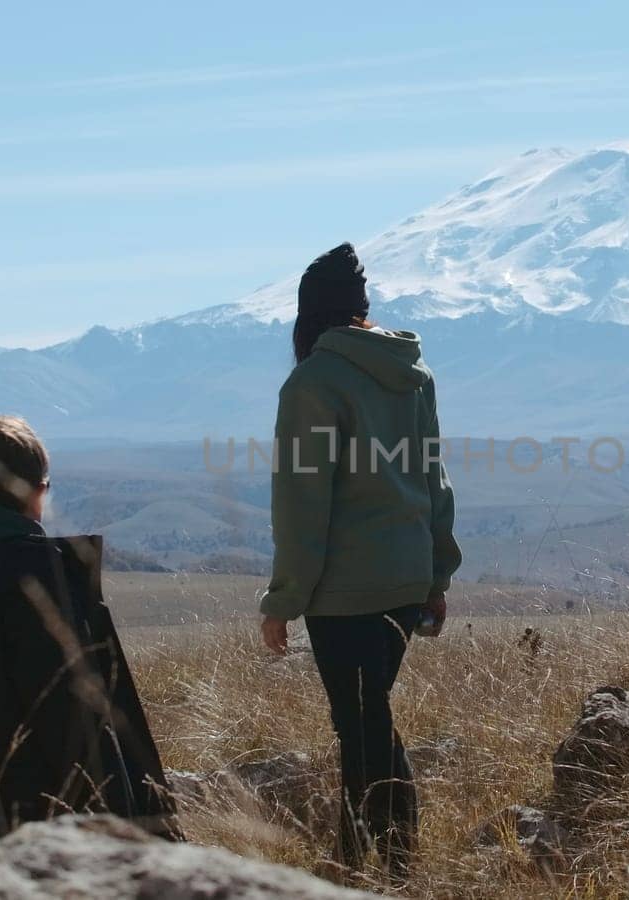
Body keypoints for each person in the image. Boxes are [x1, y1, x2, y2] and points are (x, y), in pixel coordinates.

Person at [260, 243, 461, 880]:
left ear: (307, 315)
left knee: (363, 724)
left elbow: (301, 501)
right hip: (404, 580)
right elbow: (436, 481)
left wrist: (284, 599)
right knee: (367, 719)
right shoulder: (413, 374)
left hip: (344, 593)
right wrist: (436, 576)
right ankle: (369, 861)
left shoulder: (313, 383)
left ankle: (382, 867)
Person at [0, 415, 179, 850]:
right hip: (36, 838)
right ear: (38, 492)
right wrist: (140, 839)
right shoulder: (40, 578)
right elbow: (79, 730)